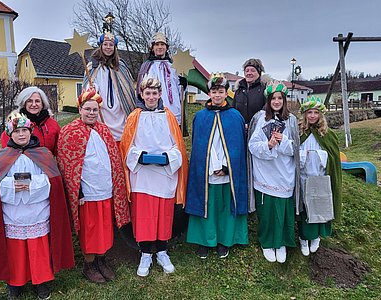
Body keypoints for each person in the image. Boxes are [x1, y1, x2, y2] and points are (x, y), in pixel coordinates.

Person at [0, 112, 74, 299]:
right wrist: (12, 186)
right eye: (17, 131)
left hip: (37, 212)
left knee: (38, 248)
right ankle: (15, 283)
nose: (21, 134)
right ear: (10, 134)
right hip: (13, 213)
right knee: (15, 251)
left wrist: (32, 185)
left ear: (31, 132)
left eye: (25, 130)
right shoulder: (0, 156)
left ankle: (41, 281)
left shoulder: (43, 154)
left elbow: (54, 182)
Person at [56, 88, 130, 284]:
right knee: (90, 230)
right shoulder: (69, 132)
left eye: (95, 110)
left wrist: (116, 185)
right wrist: (77, 190)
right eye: (87, 109)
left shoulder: (104, 130)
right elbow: (66, 164)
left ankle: (101, 260)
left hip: (106, 190)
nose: (91, 113)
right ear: (80, 109)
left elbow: (114, 159)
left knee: (105, 228)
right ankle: (89, 265)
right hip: (86, 193)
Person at [120, 74, 188, 277]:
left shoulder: (168, 117)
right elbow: (126, 147)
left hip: (164, 176)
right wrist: (139, 157)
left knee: (163, 216)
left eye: (154, 93)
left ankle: (162, 251)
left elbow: (179, 148)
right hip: (142, 177)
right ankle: (145, 253)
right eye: (147, 93)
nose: (151, 97)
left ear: (160, 94)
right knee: (144, 216)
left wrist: (168, 158)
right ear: (141, 94)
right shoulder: (134, 117)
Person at [185, 73, 249, 259]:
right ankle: (205, 241)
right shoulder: (200, 117)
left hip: (227, 173)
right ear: (210, 93)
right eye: (214, 91)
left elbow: (237, 147)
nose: (217, 95)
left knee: (224, 207)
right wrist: (212, 166)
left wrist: (226, 167)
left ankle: (224, 241)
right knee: (208, 205)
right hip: (207, 171)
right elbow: (199, 147)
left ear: (225, 92)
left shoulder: (235, 116)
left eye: (221, 91)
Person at [248, 81, 300, 263]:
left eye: (280, 98)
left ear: (284, 100)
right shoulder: (260, 119)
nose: (276, 101)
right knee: (268, 211)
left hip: (284, 173)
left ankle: (282, 242)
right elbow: (252, 146)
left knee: (283, 211)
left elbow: (296, 149)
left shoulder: (291, 120)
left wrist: (283, 141)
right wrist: (268, 145)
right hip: (265, 173)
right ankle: (267, 242)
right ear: (268, 101)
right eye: (273, 98)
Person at [298, 96, 342, 256]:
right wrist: (304, 155)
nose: (312, 116)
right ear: (304, 114)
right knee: (305, 208)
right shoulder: (299, 132)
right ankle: (304, 238)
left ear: (320, 115)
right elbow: (293, 154)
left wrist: (317, 155)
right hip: (304, 176)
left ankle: (316, 237)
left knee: (320, 205)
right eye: (309, 112)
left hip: (320, 176)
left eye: (315, 113)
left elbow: (333, 156)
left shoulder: (327, 134)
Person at [83, 31, 136, 144]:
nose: (108, 47)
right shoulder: (92, 66)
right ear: (101, 46)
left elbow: (128, 89)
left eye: (111, 45)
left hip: (120, 109)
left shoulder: (121, 66)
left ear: (115, 47)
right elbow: (88, 85)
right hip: (102, 110)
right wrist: (91, 89)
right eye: (105, 44)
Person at [136, 32, 187, 125]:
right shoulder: (147, 66)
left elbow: (180, 90)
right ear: (152, 48)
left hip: (173, 108)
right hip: (154, 108)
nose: (160, 47)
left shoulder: (174, 66)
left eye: (162, 44)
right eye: (157, 44)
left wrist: (183, 84)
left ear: (166, 47)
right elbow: (141, 89)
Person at [0, 87, 60, 155]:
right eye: (29, 101)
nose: (34, 105)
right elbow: (7, 152)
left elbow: (59, 150)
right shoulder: (15, 124)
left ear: (43, 103)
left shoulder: (53, 124)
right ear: (24, 103)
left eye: (37, 101)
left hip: (47, 163)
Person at [233, 58, 267, 126]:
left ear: (259, 73)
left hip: (258, 130)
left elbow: (266, 111)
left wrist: (251, 125)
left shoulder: (264, 89)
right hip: (240, 128)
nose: (249, 73)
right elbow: (233, 110)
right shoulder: (239, 90)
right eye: (247, 71)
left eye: (253, 71)